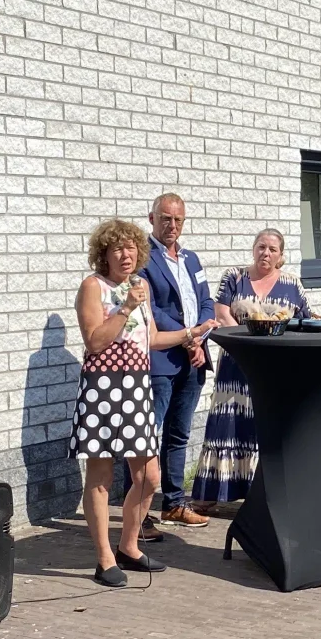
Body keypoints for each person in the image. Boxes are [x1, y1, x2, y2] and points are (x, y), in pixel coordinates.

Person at [70, 219, 217, 587]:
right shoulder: (94, 287)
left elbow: (149, 338)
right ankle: (104, 559)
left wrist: (189, 335)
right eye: (117, 248)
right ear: (103, 253)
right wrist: (123, 309)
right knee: (101, 478)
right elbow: (94, 341)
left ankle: (129, 546)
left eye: (131, 248)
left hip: (136, 387)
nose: (126, 254)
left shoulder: (141, 286)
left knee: (149, 476)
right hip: (103, 388)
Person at [191, 228, 315, 507]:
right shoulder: (234, 277)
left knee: (264, 427)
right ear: (253, 248)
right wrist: (244, 344)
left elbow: (307, 317)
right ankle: (212, 493)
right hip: (235, 366)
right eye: (261, 247)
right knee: (227, 424)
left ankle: (263, 496)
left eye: (272, 249)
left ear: (281, 256)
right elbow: (220, 310)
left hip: (273, 370)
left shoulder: (292, 283)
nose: (266, 253)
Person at [123, 194, 215, 537]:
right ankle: (138, 515)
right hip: (161, 360)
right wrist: (187, 337)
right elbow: (152, 311)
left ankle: (174, 503)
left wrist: (199, 339)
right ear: (152, 218)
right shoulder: (143, 260)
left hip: (194, 358)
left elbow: (205, 302)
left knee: (178, 433)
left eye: (178, 220)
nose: (172, 226)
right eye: (165, 219)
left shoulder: (191, 258)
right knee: (146, 437)